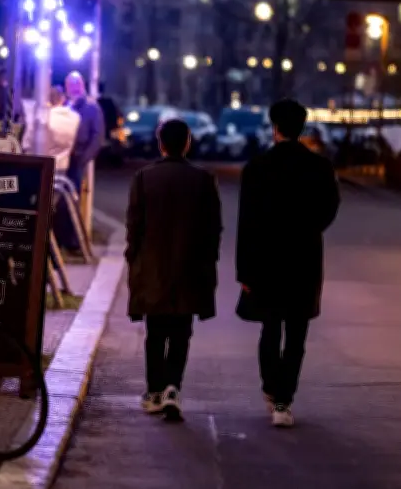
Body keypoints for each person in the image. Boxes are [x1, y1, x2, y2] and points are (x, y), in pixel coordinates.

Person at [236, 99, 340, 428]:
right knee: (297, 334)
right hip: (304, 259)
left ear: (275, 127)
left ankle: (270, 387)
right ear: (302, 128)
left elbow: (247, 223)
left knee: (270, 327)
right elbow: (329, 210)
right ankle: (285, 400)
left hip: (266, 260)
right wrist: (309, 230)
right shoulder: (320, 168)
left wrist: (245, 271)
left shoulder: (257, 168)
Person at [126, 119, 222, 421]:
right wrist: (208, 265)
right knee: (182, 331)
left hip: (153, 267)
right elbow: (212, 229)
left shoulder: (144, 178)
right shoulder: (204, 180)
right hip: (189, 268)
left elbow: (134, 227)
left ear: (161, 143)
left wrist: (134, 261)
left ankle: (154, 391)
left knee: (155, 332)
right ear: (188, 143)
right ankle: (172, 387)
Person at [55, 71, 104, 252]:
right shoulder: (64, 105)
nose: (73, 88)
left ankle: (72, 240)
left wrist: (83, 159)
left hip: (76, 158)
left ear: (82, 85)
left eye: (76, 84)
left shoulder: (92, 108)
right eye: (70, 85)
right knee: (59, 201)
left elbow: (97, 137)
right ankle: (60, 238)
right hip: (62, 159)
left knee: (71, 201)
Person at [23, 85, 79, 170]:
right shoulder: (75, 117)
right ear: (62, 99)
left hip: (40, 167)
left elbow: (26, 144)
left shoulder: (41, 119)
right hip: (62, 167)